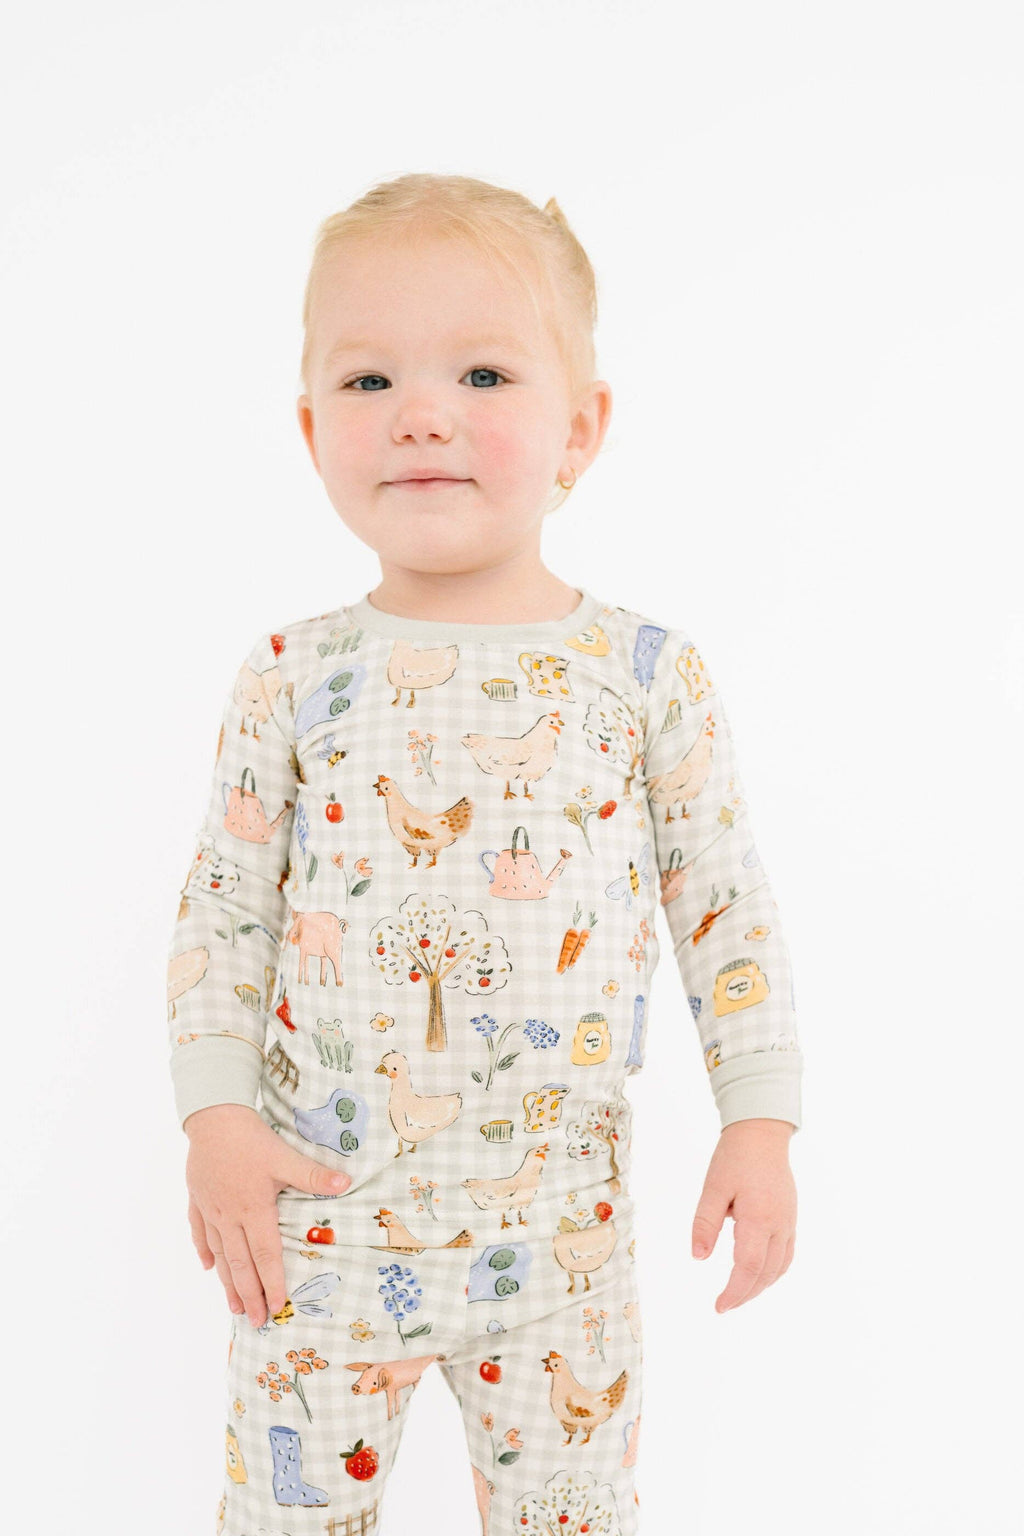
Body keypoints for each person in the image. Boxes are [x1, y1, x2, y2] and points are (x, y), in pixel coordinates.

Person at [167, 172, 803, 1536]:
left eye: (483, 374)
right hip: (321, 1240)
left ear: (581, 429)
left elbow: (724, 900)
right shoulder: (290, 677)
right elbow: (223, 911)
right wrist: (213, 1117)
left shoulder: (645, 674)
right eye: (369, 380)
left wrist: (759, 1117)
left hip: (560, 1248)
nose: (422, 414)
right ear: (310, 430)